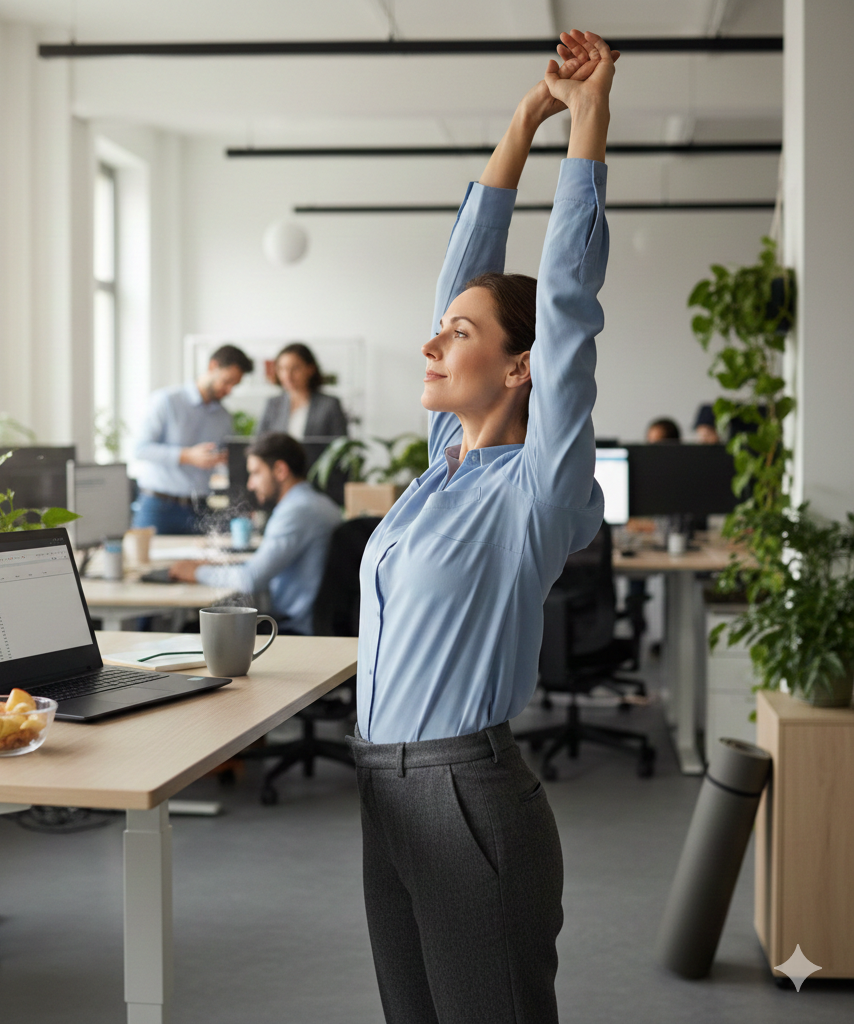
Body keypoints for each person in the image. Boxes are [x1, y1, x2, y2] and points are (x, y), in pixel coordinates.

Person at [347, 30, 618, 1024]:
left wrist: (586, 121)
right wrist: (518, 124)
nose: (433, 339)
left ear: (518, 368)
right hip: (380, 788)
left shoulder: (532, 489)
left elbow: (569, 309)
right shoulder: (438, 472)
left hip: (466, 795)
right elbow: (458, 275)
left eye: (460, 334)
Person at [168, 433, 341, 635]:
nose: (251, 484)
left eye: (256, 473)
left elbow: (250, 579)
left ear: (280, 470)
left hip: (293, 627)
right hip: (309, 621)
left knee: (190, 630)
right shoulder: (321, 503)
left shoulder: (296, 510)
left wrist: (195, 572)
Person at [132, 345, 254, 534]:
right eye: (227, 381)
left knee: (199, 563)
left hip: (198, 509)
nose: (229, 390)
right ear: (213, 366)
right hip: (158, 506)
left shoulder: (224, 417)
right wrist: (187, 456)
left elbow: (220, 463)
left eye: (234, 385)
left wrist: (223, 459)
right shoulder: (166, 401)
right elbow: (140, 449)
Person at [257, 342, 348, 439]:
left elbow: (341, 445)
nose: (287, 376)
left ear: (310, 369)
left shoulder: (329, 404)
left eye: (295, 368)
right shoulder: (273, 403)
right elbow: (259, 442)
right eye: (282, 369)